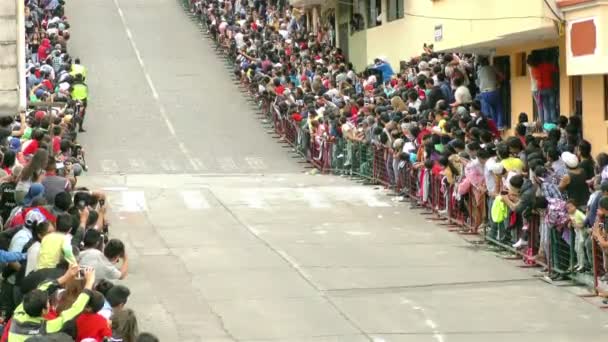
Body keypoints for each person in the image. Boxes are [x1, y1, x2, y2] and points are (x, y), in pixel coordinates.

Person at [8, 266, 95, 341]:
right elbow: (75, 309)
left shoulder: (19, 311)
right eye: (48, 302)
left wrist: (66, 276)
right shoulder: (46, 328)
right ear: (44, 311)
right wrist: (89, 282)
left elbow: (42, 288)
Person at [476, 56, 504, 129]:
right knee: (498, 108)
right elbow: (502, 77)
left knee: (492, 109)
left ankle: (494, 126)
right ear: (488, 62)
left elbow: (478, 83)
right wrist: (498, 82)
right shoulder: (492, 68)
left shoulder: (479, 71)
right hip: (493, 91)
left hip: (484, 93)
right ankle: (500, 125)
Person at [567, 199, 587, 272]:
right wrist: (570, 224)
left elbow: (585, 219)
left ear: (575, 206)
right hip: (577, 233)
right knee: (576, 248)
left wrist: (580, 225)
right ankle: (579, 263)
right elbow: (571, 223)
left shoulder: (578, 213)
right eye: (568, 208)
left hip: (581, 232)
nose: (569, 209)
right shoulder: (571, 215)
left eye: (571, 207)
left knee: (580, 248)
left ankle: (582, 265)